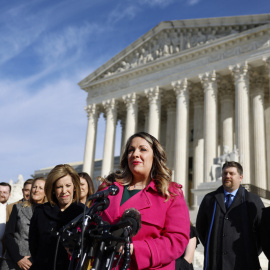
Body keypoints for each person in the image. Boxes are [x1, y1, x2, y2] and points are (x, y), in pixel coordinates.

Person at [99, 132, 190, 269]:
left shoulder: (170, 194)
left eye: (143, 149)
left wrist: (135, 249)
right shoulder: (108, 189)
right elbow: (90, 223)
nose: (135, 154)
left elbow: (176, 240)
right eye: (131, 150)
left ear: (155, 157)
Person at [196, 161, 264, 270]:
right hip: (216, 263)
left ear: (240, 177)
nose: (227, 176)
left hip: (243, 263)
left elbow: (263, 231)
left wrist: (250, 251)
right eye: (225, 173)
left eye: (232, 173)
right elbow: (201, 228)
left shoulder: (252, 200)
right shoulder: (209, 199)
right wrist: (215, 246)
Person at [29, 164, 84, 270]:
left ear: (74, 187)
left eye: (68, 185)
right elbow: (33, 245)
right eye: (59, 187)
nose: (64, 191)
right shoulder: (40, 212)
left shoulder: (83, 212)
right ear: (53, 189)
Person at [1, 177, 46, 270]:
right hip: (12, 262)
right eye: (34, 187)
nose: (36, 190)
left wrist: (31, 260)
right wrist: (18, 258)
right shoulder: (18, 208)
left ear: (46, 192)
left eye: (40, 188)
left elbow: (48, 241)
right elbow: (8, 235)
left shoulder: (50, 211)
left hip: (35, 263)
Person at [0, 182, 11, 262]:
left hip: (4, 254)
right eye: (0, 192)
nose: (2, 194)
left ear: (9, 194)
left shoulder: (12, 210)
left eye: (5, 192)